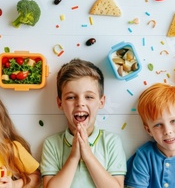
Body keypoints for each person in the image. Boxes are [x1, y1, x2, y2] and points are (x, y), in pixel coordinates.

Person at [40, 58, 127, 188]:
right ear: (60, 103)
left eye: (89, 97)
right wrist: (74, 157)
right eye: (71, 97)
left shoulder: (111, 142)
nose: (80, 103)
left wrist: (88, 155)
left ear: (101, 102)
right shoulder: (51, 144)